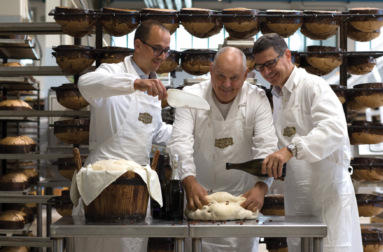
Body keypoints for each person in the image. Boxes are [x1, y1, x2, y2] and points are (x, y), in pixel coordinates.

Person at [68, 19, 172, 252]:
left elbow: (153, 130)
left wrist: (188, 132)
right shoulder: (113, 72)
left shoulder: (155, 85)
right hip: (102, 187)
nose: (162, 56)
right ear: (138, 45)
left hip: (136, 191)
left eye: (166, 51)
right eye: (157, 49)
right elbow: (85, 83)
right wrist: (134, 83)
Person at [252, 33, 362, 252]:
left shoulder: (313, 86)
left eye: (270, 63)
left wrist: (291, 150)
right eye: (260, 67)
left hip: (328, 195)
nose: (266, 72)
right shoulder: (277, 95)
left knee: (332, 247)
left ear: (287, 55)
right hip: (298, 196)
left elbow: (334, 129)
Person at [167, 46, 278, 252]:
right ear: (210, 70)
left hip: (242, 204)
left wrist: (262, 187)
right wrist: (189, 181)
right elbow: (180, 143)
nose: (226, 84)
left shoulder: (257, 99)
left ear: (246, 75)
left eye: (234, 78)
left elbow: (266, 146)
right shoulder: (190, 96)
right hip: (198, 201)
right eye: (220, 76)